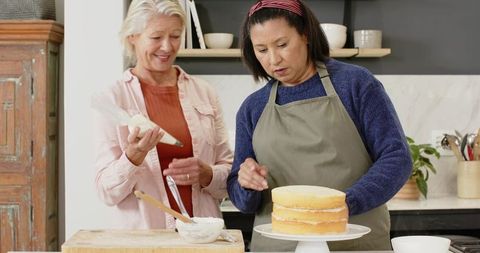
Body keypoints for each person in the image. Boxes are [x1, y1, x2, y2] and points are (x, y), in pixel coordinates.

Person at [227, 0, 412, 251]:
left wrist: (343, 206)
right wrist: (246, 183)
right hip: (279, 247)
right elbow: (243, 200)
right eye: (261, 49)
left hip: (354, 242)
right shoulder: (253, 108)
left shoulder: (355, 85)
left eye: (282, 44)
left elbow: (397, 158)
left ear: (305, 34)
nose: (273, 59)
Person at [94, 0, 233, 229]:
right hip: (144, 243)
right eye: (156, 37)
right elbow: (106, 192)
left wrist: (207, 174)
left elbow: (229, 177)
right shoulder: (113, 98)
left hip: (204, 239)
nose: (167, 47)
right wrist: (132, 158)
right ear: (133, 37)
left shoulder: (205, 93)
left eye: (175, 36)